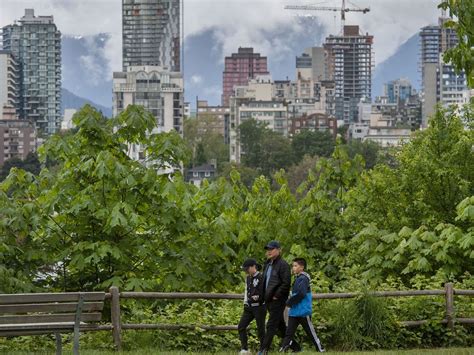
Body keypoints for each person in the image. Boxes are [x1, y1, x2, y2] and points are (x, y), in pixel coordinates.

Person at [259, 241, 300, 355]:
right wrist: (262, 296)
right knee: (280, 326)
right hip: (268, 300)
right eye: (268, 249)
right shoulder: (267, 264)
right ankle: (296, 347)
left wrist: (276, 295)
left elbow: (286, 283)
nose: (269, 251)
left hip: (278, 300)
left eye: (271, 249)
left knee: (271, 325)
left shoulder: (283, 265)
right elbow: (264, 281)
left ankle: (263, 350)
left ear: (278, 250)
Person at [279, 258, 325, 353]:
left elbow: (301, 293)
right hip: (294, 312)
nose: (293, 268)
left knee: (310, 332)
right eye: (293, 266)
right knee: (289, 333)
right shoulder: (297, 278)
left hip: (303, 311)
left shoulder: (303, 278)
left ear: (302, 267)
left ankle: (320, 348)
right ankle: (283, 349)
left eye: (295, 266)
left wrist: (289, 302)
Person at [238, 258, 266, 354]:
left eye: (247, 269)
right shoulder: (248, 277)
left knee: (261, 329)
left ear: (253, 266)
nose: (246, 271)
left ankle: (263, 349)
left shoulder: (262, 277)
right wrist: (245, 302)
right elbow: (247, 290)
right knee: (241, 326)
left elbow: (265, 292)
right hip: (249, 307)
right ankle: (244, 349)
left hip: (259, 307)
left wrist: (259, 297)